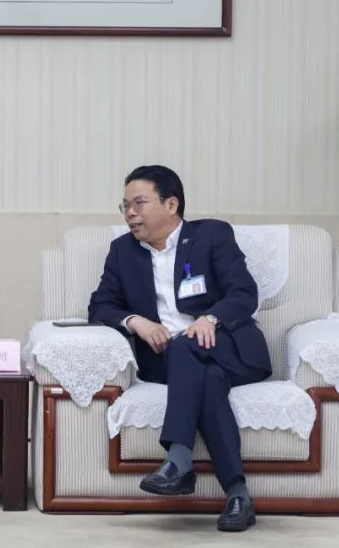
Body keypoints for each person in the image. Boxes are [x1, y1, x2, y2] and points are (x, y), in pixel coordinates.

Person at [88, 165, 271, 532]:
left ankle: (178, 461)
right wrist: (136, 322)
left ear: (171, 204)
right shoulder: (123, 251)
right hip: (171, 362)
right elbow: (100, 307)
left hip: (231, 349)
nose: (130, 213)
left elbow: (243, 293)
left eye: (139, 203)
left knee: (187, 347)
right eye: (125, 206)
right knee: (208, 380)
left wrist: (210, 319)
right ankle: (238, 495)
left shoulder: (211, 235)